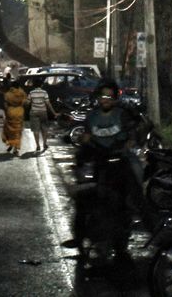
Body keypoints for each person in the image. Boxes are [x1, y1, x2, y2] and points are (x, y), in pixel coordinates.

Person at [68, 80, 142, 261]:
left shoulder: (123, 115)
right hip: (100, 162)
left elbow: (133, 136)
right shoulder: (92, 117)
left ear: (115, 98)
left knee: (129, 198)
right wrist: (83, 152)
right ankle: (79, 236)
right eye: (103, 96)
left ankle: (124, 241)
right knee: (83, 198)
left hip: (120, 163)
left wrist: (126, 146)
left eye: (110, 96)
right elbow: (86, 137)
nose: (106, 99)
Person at [26, 81, 55, 153]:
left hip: (34, 112)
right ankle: (44, 144)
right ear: (41, 85)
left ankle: (38, 145)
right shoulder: (44, 92)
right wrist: (53, 112)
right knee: (44, 128)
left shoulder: (31, 92)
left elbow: (28, 103)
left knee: (36, 130)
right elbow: (48, 103)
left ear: (34, 85)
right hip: (43, 112)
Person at [2, 80, 28, 155]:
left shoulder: (8, 94)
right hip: (19, 112)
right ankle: (15, 149)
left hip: (10, 112)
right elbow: (25, 103)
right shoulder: (22, 93)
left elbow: (5, 105)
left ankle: (11, 144)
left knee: (10, 130)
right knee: (18, 131)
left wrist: (7, 112)